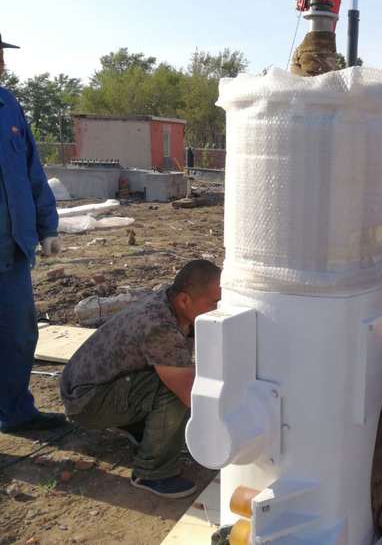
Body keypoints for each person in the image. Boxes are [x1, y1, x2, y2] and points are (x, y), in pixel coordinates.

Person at [60, 259, 221, 498]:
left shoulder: (169, 301)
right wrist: (226, 430)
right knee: (176, 389)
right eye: (215, 303)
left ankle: (139, 427)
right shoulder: (159, 326)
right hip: (86, 402)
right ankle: (153, 472)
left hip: (94, 385)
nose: (219, 309)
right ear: (184, 300)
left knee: (175, 376)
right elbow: (189, 395)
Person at [0, 34, 66, 434]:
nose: (1, 63)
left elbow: (32, 171)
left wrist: (47, 226)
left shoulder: (8, 104)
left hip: (13, 250)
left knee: (19, 335)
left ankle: (15, 413)